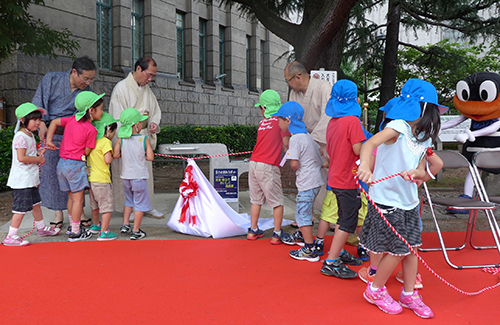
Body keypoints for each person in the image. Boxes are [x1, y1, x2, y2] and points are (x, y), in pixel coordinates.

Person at [357, 79, 446, 318]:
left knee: (412, 249)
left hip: (409, 202)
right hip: (386, 200)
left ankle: (409, 294)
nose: (436, 114)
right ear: (422, 108)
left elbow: (420, 168)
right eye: (434, 109)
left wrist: (418, 174)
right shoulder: (397, 127)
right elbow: (369, 144)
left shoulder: (423, 138)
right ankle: (375, 289)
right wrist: (365, 164)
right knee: (398, 249)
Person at [32, 56, 97, 229]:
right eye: (86, 78)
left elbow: (85, 116)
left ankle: (79, 211)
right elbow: (38, 105)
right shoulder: (51, 79)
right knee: (52, 174)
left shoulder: (86, 91)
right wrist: (42, 125)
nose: (88, 82)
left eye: (91, 79)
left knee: (76, 174)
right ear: (74, 72)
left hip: (72, 136)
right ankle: (58, 213)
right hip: (51, 132)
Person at [319, 80, 365, 278]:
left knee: (342, 217)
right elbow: (357, 149)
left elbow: (329, 151)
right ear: (355, 99)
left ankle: (337, 252)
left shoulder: (333, 122)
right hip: (348, 178)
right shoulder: (353, 122)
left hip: (336, 176)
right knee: (348, 220)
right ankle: (330, 261)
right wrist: (371, 147)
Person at [109, 57, 163, 219]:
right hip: (127, 137)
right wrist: (125, 137)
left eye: (153, 76)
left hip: (143, 136)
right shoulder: (121, 88)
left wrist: (153, 122)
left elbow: (155, 110)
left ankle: (146, 206)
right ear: (138, 69)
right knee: (127, 176)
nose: (150, 79)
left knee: (144, 174)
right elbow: (117, 117)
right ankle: (130, 208)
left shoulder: (146, 89)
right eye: (148, 75)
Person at [46, 91, 104, 242]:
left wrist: (49, 140)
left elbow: (53, 122)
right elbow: (87, 151)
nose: (102, 112)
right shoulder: (92, 130)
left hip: (62, 164)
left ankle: (73, 225)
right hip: (76, 165)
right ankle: (76, 232)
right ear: (91, 110)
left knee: (71, 197)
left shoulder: (71, 120)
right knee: (78, 200)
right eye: (101, 109)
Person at [2, 103, 61, 246]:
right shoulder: (21, 137)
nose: (38, 123)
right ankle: (11, 236)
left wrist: (38, 152)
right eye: (34, 119)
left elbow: (28, 154)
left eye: (39, 119)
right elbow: (22, 158)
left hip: (30, 179)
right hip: (22, 180)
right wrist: (38, 159)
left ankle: (41, 228)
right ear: (23, 119)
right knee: (20, 209)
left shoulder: (28, 135)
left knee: (36, 204)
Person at [272, 101, 324, 261]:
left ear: (288, 120)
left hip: (306, 182)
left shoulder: (295, 139)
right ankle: (302, 236)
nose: (278, 123)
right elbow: (320, 155)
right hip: (316, 181)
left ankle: (309, 249)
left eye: (279, 119)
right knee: (306, 212)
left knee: (302, 216)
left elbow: (294, 164)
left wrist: (290, 155)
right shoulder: (308, 136)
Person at [284, 61, 332, 219]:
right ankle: (307, 214)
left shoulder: (323, 87)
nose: (288, 85)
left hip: (323, 139)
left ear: (297, 77)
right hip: (305, 139)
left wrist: (314, 140)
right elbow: (294, 118)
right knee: (304, 176)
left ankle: (330, 217)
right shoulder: (294, 95)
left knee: (327, 179)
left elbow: (328, 115)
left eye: (288, 80)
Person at [247, 90, 292, 244]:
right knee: (277, 201)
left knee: (256, 200)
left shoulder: (262, 123)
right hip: (268, 165)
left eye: (260, 107)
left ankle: (253, 230)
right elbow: (286, 143)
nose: (260, 110)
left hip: (253, 163)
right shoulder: (280, 123)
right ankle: (277, 233)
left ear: (265, 108)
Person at [113, 107, 154, 240]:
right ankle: (136, 230)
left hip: (126, 177)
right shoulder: (143, 139)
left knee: (129, 200)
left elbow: (116, 154)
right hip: (139, 177)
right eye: (140, 122)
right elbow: (150, 157)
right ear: (136, 125)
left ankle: (125, 224)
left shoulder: (121, 140)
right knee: (140, 203)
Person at [87, 112, 119, 241]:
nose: (113, 136)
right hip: (102, 180)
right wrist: (114, 155)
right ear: (109, 129)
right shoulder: (105, 142)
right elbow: (107, 160)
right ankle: (104, 232)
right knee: (106, 207)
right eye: (113, 132)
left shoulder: (91, 140)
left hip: (91, 179)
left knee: (94, 205)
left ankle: (95, 225)